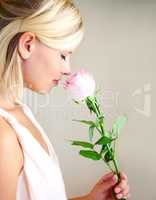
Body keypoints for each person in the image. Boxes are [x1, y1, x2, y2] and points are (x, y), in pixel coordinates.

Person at [0, 0, 130, 199]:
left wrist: (89, 199)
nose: (67, 69)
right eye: (63, 55)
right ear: (27, 44)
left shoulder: (20, 112)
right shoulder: (4, 138)